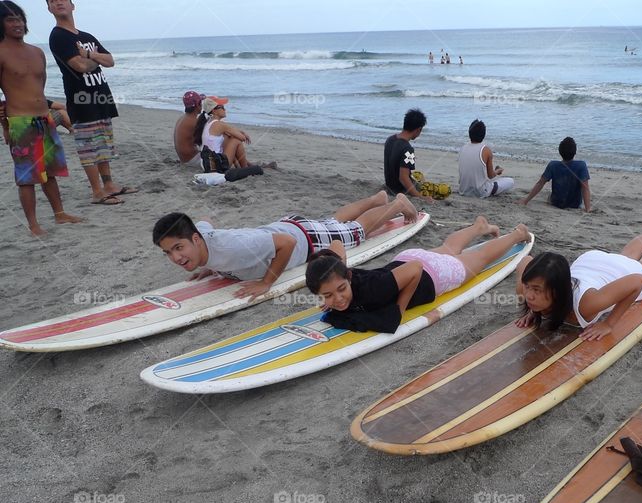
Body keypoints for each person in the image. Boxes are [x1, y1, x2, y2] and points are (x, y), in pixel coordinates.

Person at [152, 191, 418, 300]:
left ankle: (396, 204)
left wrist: (266, 282)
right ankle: (376, 199)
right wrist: (209, 264)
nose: (175, 257)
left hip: (304, 238)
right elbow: (205, 221)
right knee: (333, 221)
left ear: (195, 240)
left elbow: (286, 244)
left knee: (355, 232)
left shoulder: (235, 247)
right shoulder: (202, 237)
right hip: (285, 227)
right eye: (168, 252)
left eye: (179, 248)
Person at [306, 218, 530, 334]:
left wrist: (399, 309)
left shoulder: (375, 288)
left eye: (342, 289)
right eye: (327, 295)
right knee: (449, 248)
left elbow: (415, 268)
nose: (338, 298)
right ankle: (478, 227)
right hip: (404, 259)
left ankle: (517, 234)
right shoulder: (341, 274)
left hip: (433, 275)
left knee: (481, 257)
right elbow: (336, 244)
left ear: (349, 276)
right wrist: (334, 290)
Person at [516, 224, 642, 340]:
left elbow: (637, 280)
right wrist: (535, 310)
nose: (529, 295)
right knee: (624, 258)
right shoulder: (525, 290)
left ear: (557, 291)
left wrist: (608, 324)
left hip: (611, 273)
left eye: (537, 290)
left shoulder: (586, 303)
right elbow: (525, 260)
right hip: (589, 264)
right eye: (528, 287)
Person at [0, 1, 82, 236]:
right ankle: (33, 224)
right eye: (10, 20)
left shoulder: (37, 52)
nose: (17, 24)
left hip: (44, 120)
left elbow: (40, 88)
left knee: (50, 172)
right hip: (20, 122)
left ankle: (60, 213)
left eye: (19, 19)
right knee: (27, 178)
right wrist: (5, 125)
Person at [47, 0, 137, 205]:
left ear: (72, 5)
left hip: (101, 96)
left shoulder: (87, 37)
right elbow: (80, 67)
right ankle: (97, 191)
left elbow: (110, 61)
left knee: (103, 144)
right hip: (81, 100)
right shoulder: (58, 36)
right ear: (49, 8)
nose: (58, 2)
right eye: (52, 0)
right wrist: (95, 60)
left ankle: (109, 185)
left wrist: (88, 54)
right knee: (88, 148)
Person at [520, 137, 591, 212]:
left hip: (556, 202)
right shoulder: (581, 165)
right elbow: (585, 188)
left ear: (560, 152)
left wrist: (525, 201)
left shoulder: (553, 165)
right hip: (574, 205)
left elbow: (540, 183)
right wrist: (588, 208)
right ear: (575, 152)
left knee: (549, 196)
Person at [194, 96, 255, 170]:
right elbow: (242, 138)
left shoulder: (209, 122)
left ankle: (241, 167)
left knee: (227, 138)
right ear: (214, 110)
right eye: (222, 107)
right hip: (215, 165)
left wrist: (240, 132)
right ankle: (245, 169)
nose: (225, 109)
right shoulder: (219, 124)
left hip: (206, 163)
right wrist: (242, 134)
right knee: (236, 140)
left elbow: (231, 131)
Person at [458, 119, 515, 198]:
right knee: (511, 181)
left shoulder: (463, 148)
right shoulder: (486, 150)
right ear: (484, 134)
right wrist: (497, 171)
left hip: (463, 190)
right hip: (480, 192)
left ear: (469, 133)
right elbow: (491, 175)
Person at [383, 108, 430, 200]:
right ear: (418, 130)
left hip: (389, 185)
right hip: (400, 190)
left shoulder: (390, 139)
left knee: (418, 176)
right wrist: (419, 196)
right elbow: (403, 178)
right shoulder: (408, 149)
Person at [174, 90, 204, 164]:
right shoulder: (194, 121)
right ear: (197, 105)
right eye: (201, 103)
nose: (202, 105)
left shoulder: (182, 118)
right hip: (191, 159)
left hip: (184, 158)